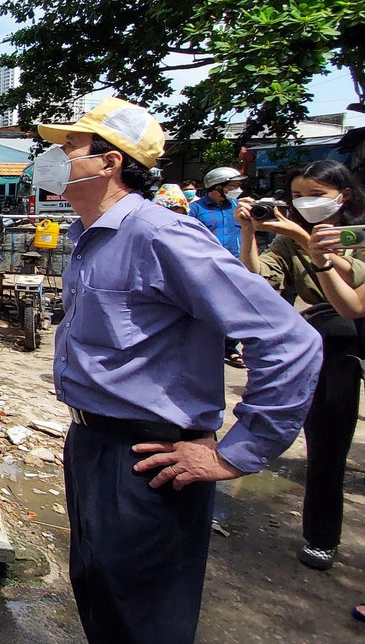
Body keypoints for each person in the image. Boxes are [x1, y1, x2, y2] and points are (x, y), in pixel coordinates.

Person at [33, 97, 322, 644]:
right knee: (101, 601)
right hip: (92, 444)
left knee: (146, 621)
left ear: (109, 161)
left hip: (152, 458)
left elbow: (289, 339)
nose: (51, 157)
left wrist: (237, 452)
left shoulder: (161, 235)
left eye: (67, 146)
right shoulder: (88, 239)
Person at [248, 161, 365, 571]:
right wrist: (251, 232)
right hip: (326, 341)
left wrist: (314, 248)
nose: (304, 203)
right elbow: (259, 277)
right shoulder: (290, 241)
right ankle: (321, 535)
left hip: (349, 335)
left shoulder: (358, 238)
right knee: (325, 443)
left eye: (314, 193)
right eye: (297, 195)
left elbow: (352, 304)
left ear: (343, 194)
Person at [191, 166, 250, 367]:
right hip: (206, 266)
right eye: (233, 185)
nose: (238, 189)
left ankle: (230, 348)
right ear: (218, 186)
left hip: (235, 264)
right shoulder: (196, 209)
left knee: (236, 308)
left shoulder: (238, 207)